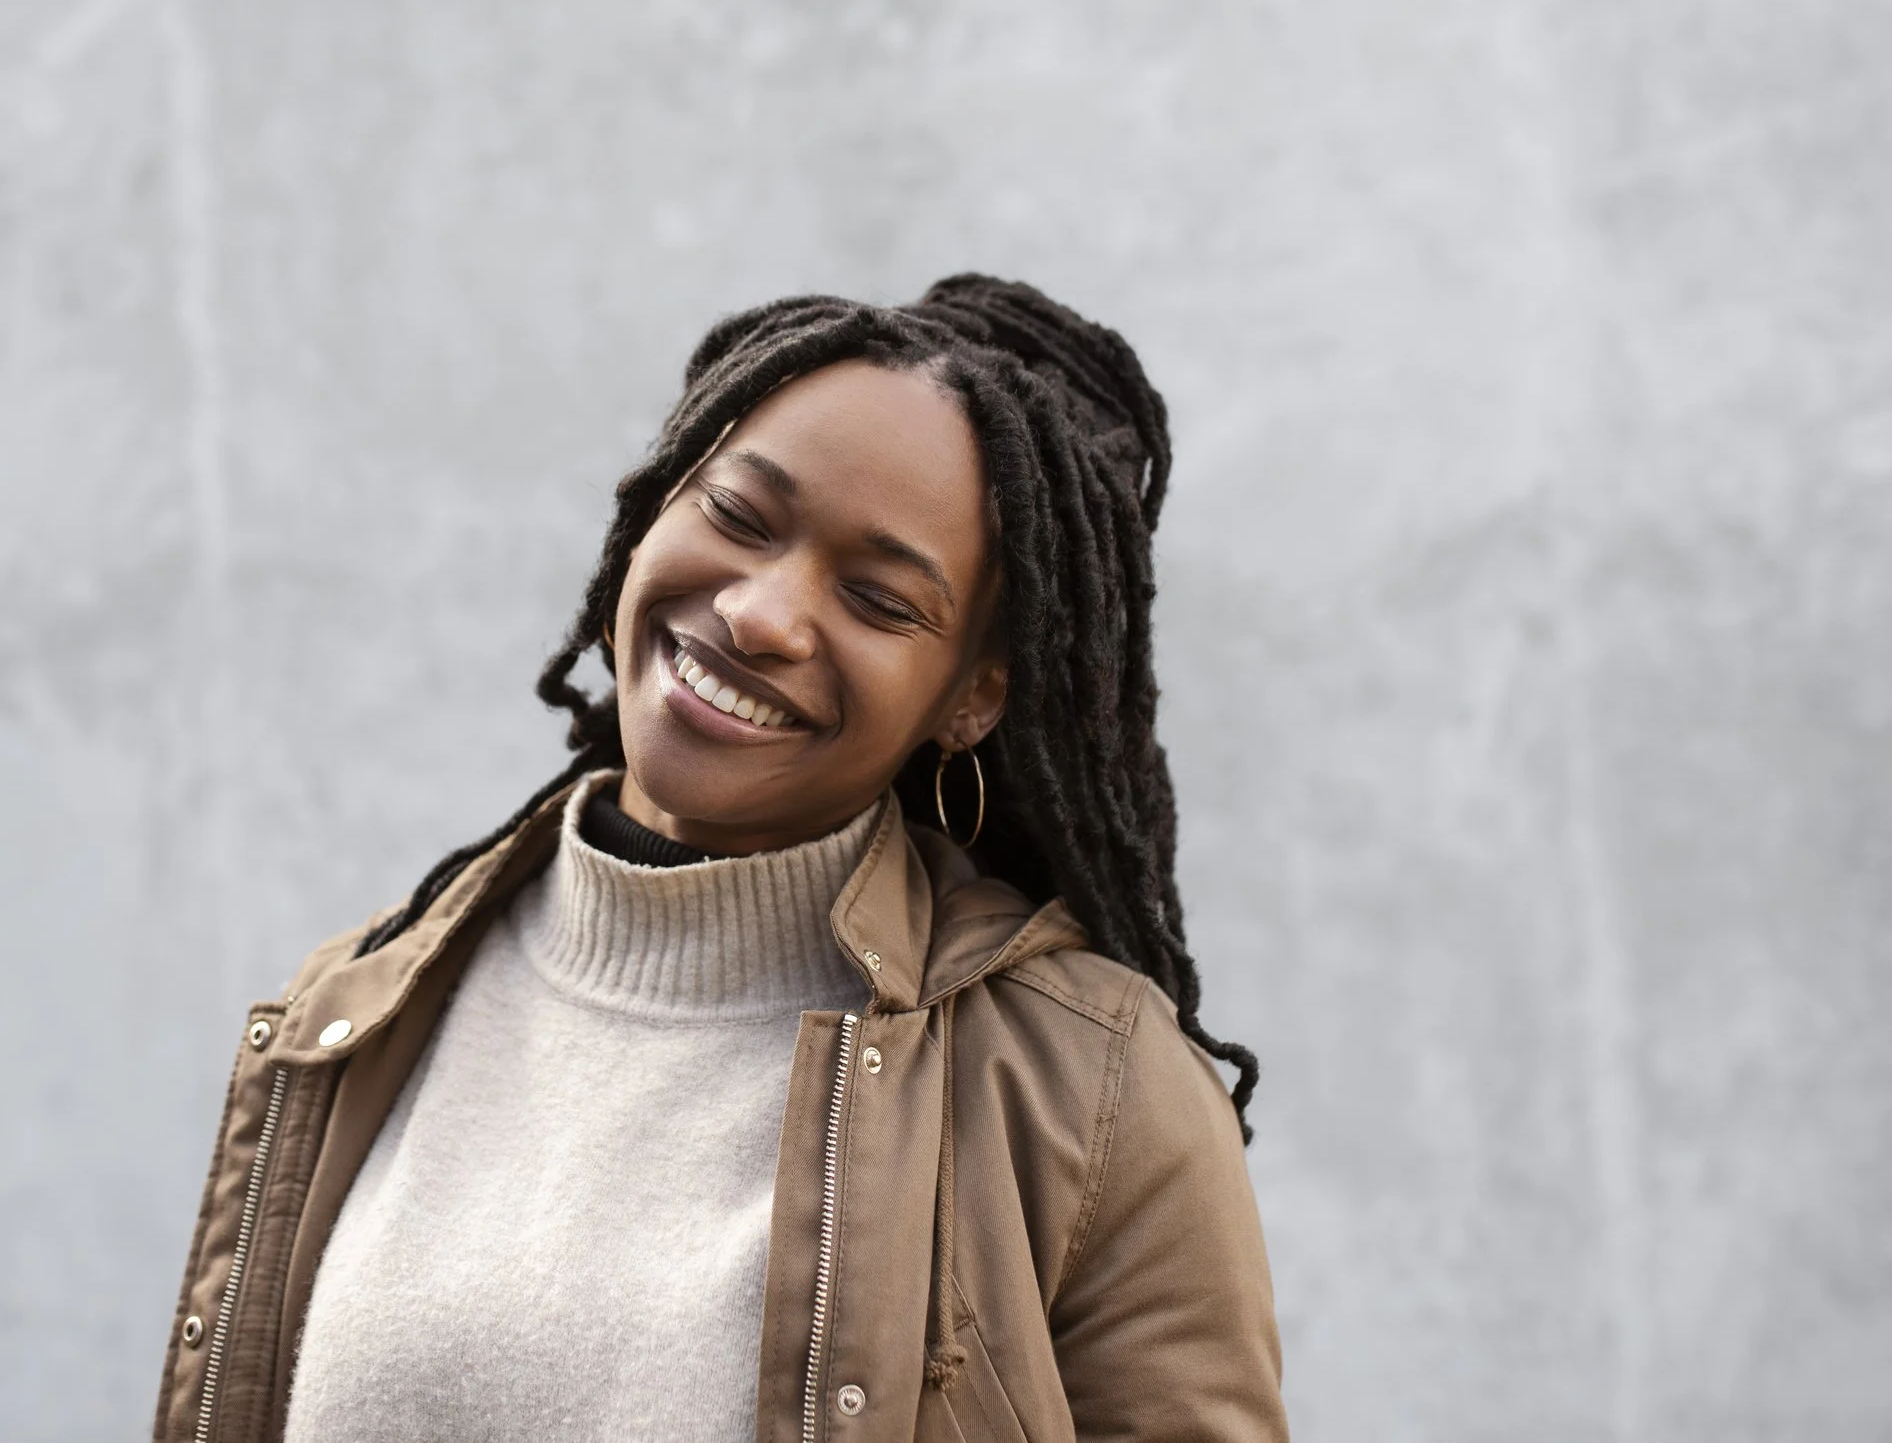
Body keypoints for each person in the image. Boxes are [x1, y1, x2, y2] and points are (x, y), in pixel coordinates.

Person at [153, 277, 1287, 1443]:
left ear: (973, 696)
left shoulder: (1091, 1091)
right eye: (740, 518)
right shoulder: (357, 1014)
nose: (763, 614)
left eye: (878, 598)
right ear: (645, 518)